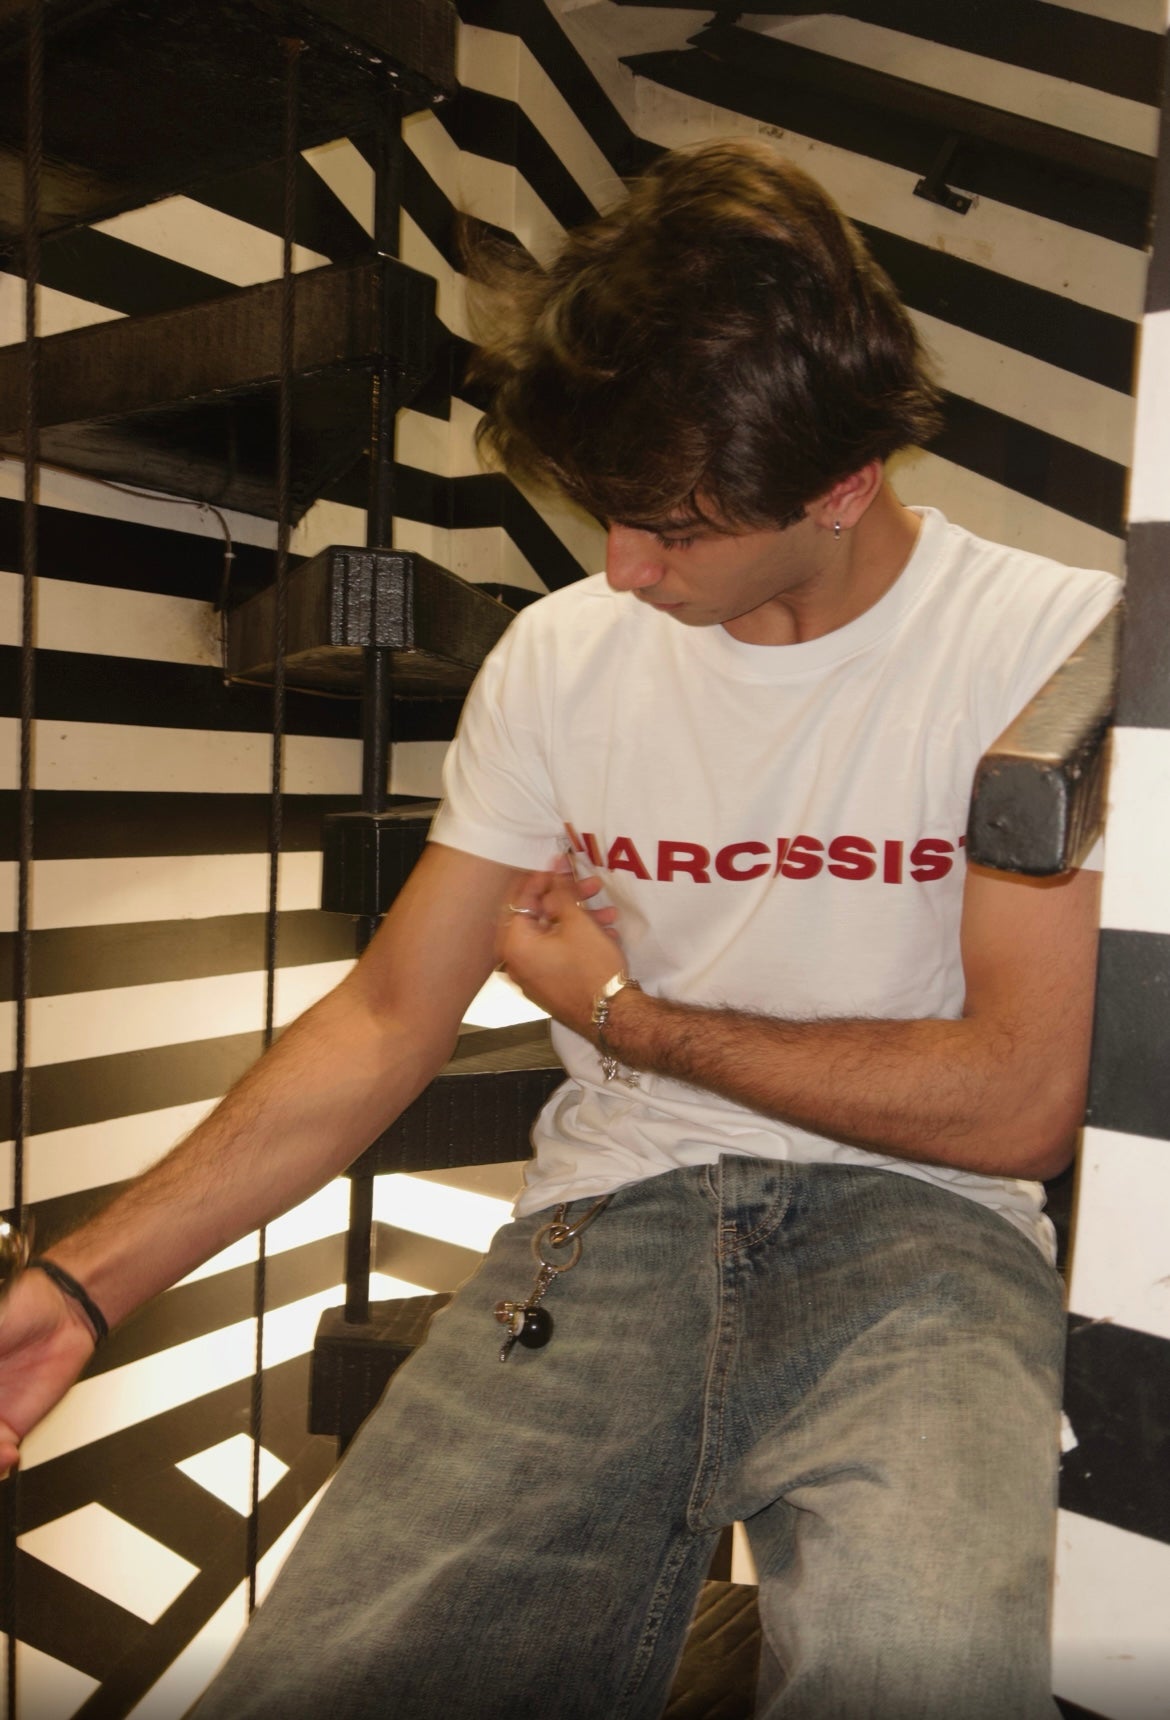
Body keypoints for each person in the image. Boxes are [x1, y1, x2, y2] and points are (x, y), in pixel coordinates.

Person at [0, 141, 1118, 1718]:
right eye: (605, 516)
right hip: (608, 1230)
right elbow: (389, 1018)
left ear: (843, 483)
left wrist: (621, 1016)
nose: (620, 569)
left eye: (671, 528)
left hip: (927, 1245)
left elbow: (1010, 1103)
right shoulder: (560, 656)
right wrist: (82, 1290)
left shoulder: (1049, 648)